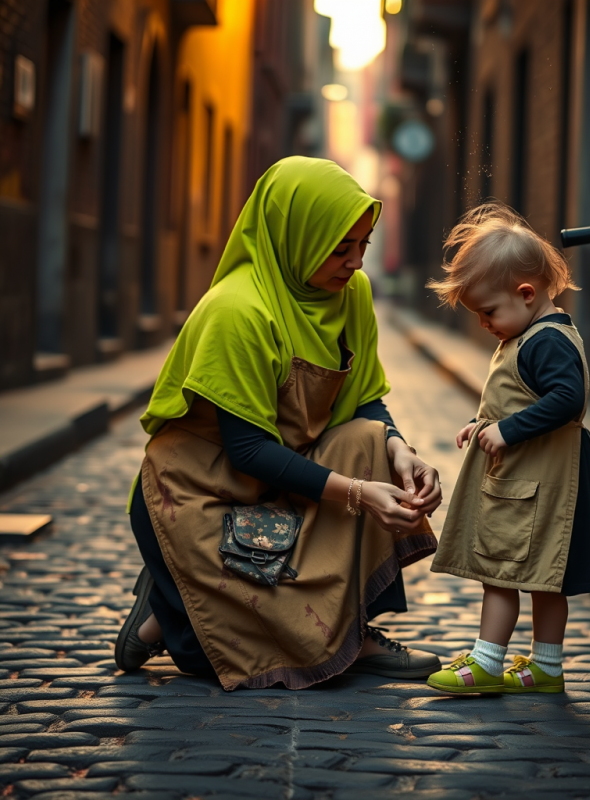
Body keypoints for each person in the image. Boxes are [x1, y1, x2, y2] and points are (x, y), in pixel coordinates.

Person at [115, 156, 442, 691]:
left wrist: (401, 450)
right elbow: (248, 451)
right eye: (341, 247)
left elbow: (366, 402)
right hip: (201, 491)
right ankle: (169, 602)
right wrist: (358, 493)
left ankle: (356, 632)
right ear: (298, 237)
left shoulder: (353, 295)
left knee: (371, 442)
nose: (356, 261)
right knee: (218, 657)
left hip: (287, 476)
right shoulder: (236, 311)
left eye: (364, 244)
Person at [424, 201, 590, 694]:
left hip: (540, 487)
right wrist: (481, 423)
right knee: (545, 578)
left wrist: (506, 431)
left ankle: (487, 661)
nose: (484, 324)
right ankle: (546, 667)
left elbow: (567, 399)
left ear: (526, 294)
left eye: (488, 312)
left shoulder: (546, 342)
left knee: (501, 573)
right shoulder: (531, 333)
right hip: (532, 484)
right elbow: (520, 397)